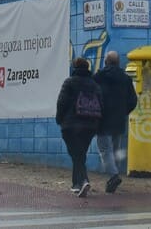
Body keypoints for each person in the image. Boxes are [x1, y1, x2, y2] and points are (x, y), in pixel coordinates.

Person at [92, 50, 138, 194]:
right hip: (118, 120)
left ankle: (114, 176)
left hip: (102, 119)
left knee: (105, 150)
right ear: (118, 62)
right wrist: (123, 112)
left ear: (105, 62)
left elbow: (91, 97)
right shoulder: (125, 79)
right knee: (116, 150)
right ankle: (114, 177)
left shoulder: (98, 77)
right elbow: (133, 100)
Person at [55, 56, 102, 197]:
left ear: (74, 67)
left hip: (71, 125)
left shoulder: (69, 82)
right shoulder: (95, 85)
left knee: (77, 154)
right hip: (90, 126)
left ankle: (83, 181)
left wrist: (59, 119)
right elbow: (101, 105)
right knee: (80, 154)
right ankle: (76, 184)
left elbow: (61, 102)